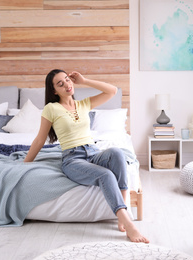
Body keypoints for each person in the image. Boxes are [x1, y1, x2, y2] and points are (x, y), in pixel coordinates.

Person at [24, 69, 149, 243]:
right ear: (54, 91)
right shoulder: (51, 109)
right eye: (60, 84)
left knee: (117, 153)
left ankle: (124, 211)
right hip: (72, 159)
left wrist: (84, 80)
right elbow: (39, 139)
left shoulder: (83, 104)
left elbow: (112, 90)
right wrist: (25, 163)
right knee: (105, 175)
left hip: (93, 152)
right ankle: (128, 222)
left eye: (67, 80)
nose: (67, 85)